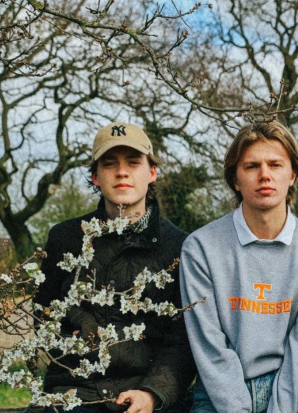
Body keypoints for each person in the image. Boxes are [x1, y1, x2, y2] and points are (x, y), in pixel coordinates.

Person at [179, 121, 298, 413]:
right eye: (252, 166)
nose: (265, 174)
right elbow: (210, 346)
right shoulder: (200, 248)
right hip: (219, 393)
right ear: (236, 179)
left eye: (275, 165)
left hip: (290, 393)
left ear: (292, 175)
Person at [34, 122, 196, 413]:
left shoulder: (180, 247)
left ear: (152, 172)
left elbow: (183, 341)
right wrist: (72, 331)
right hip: (75, 392)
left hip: (150, 395)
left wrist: (153, 394)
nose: (122, 172)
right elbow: (43, 311)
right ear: (95, 176)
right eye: (109, 164)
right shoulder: (65, 238)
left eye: (133, 162)